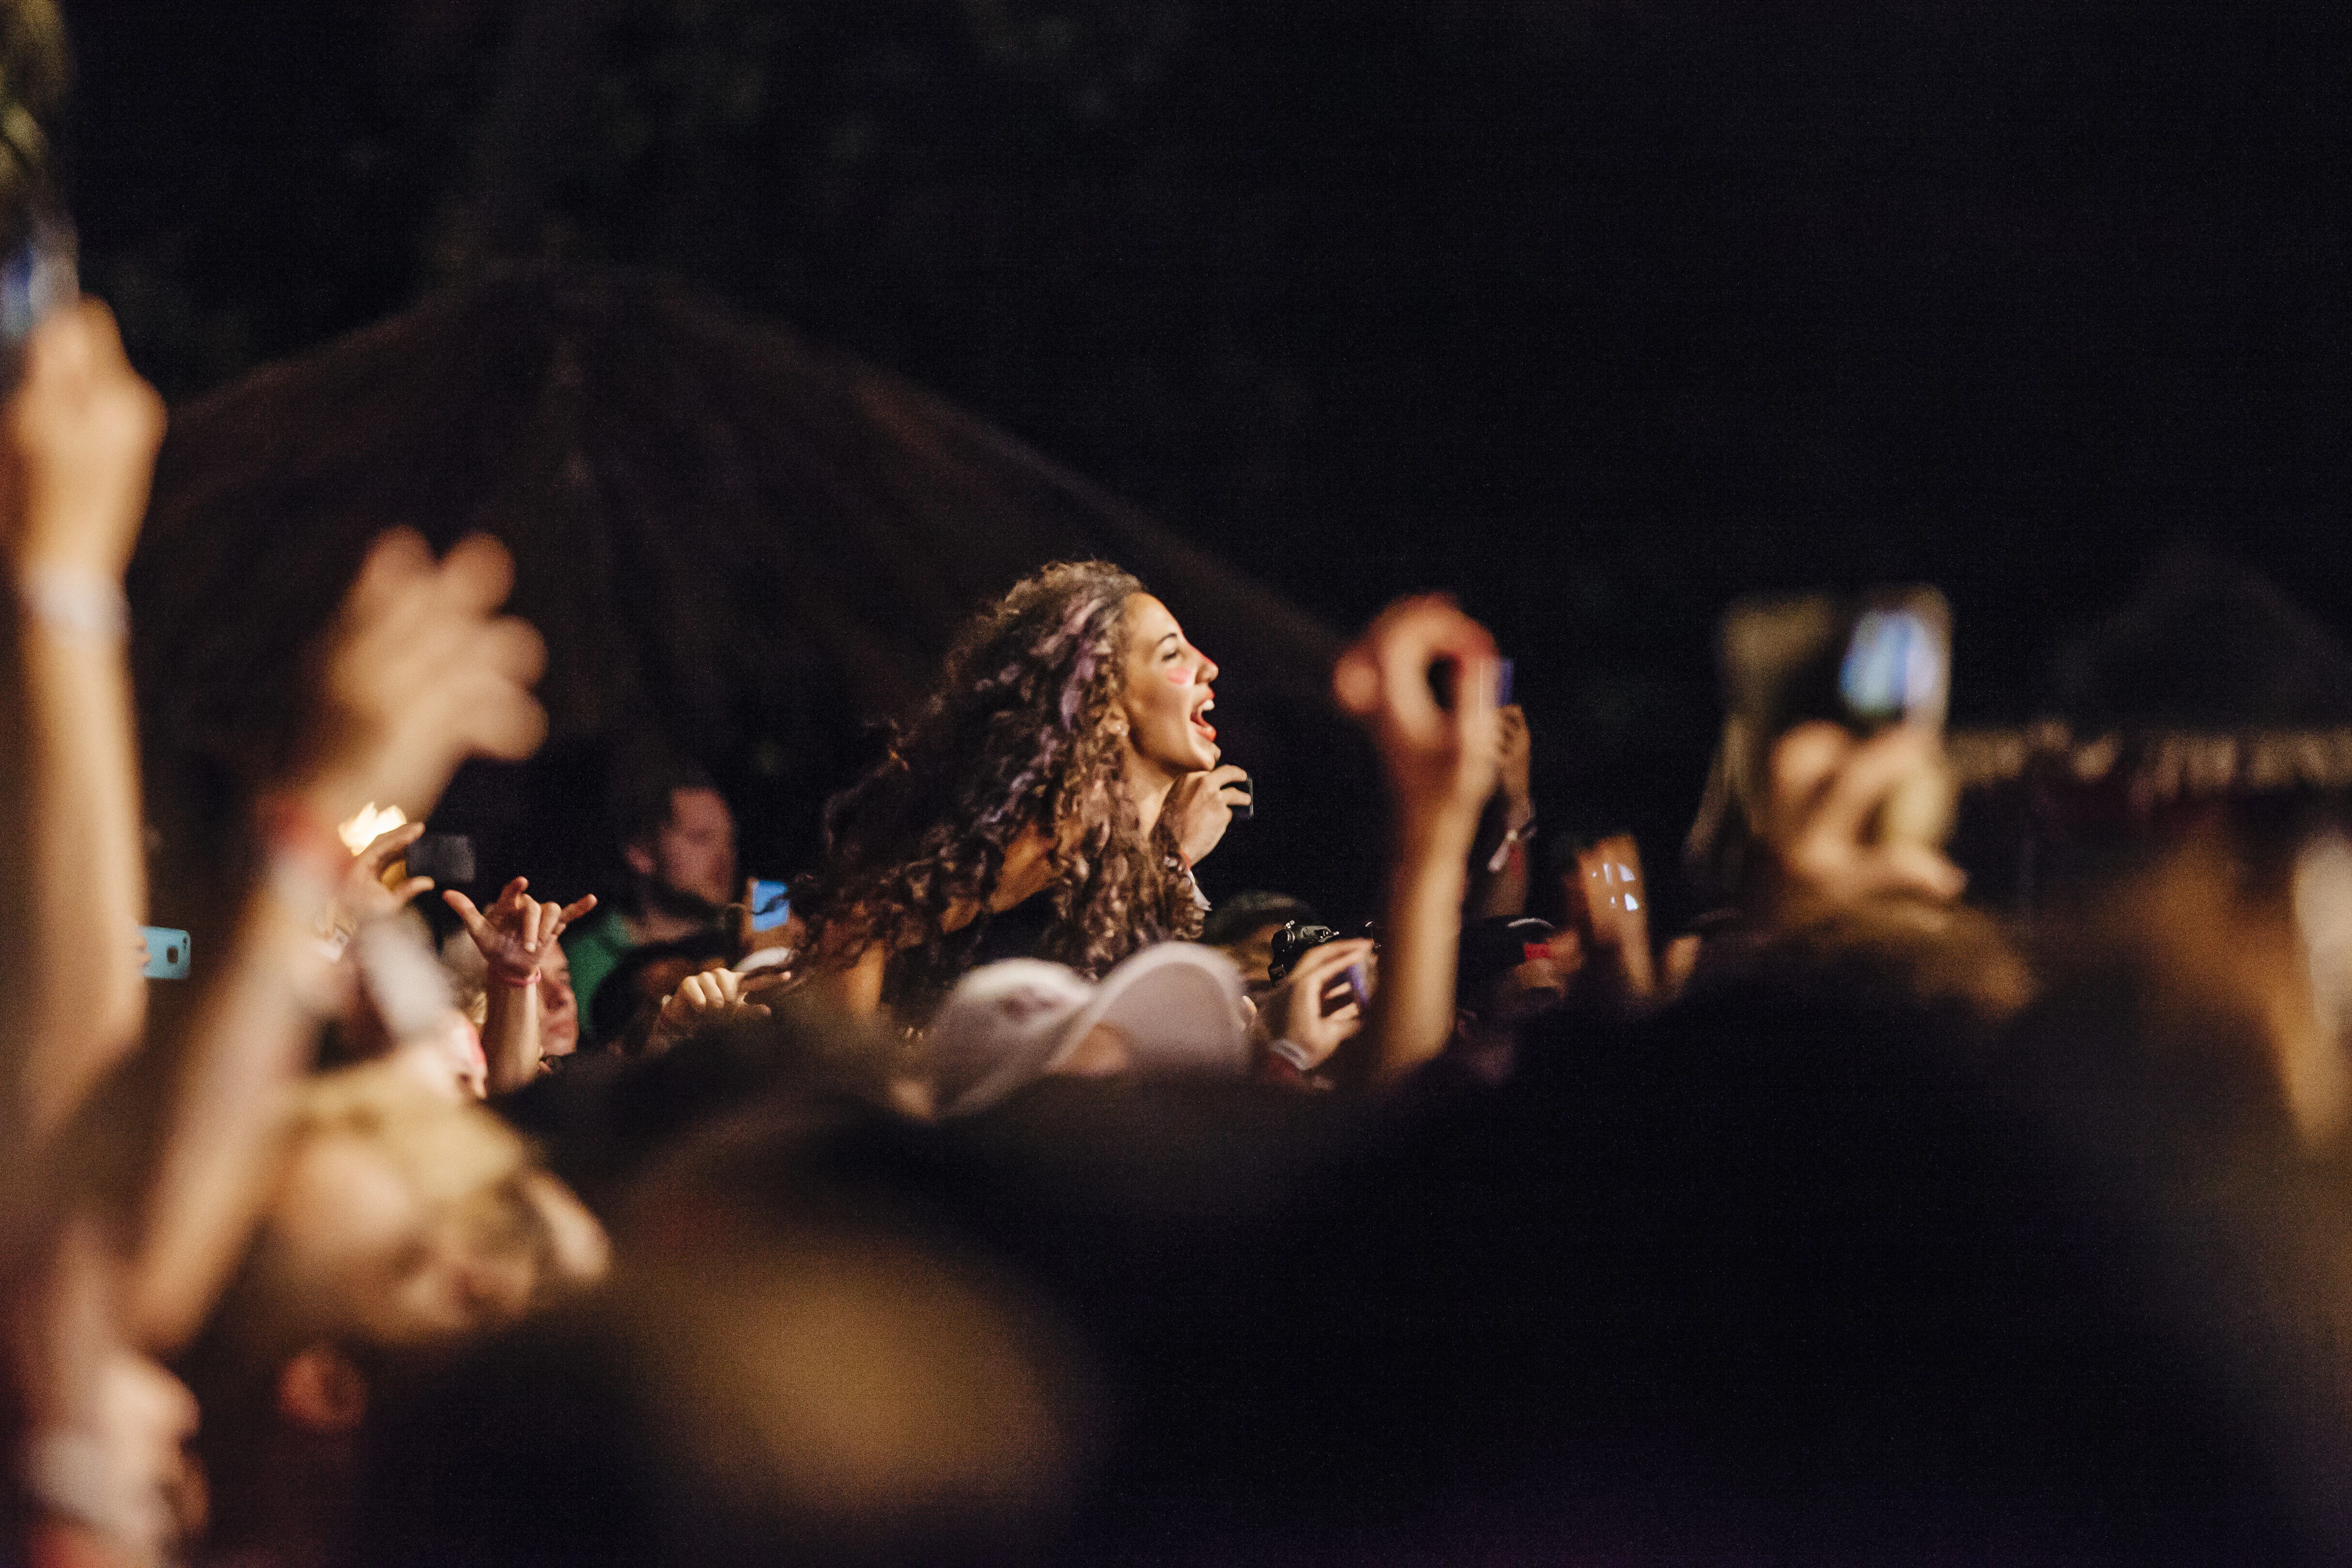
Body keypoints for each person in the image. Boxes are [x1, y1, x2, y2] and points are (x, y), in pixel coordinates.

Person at [800, 561, 1249, 1028]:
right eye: (1170, 654)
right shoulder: (1055, 835)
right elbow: (859, 926)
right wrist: (866, 1079)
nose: (1207, 666)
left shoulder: (1125, 857)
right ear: (1110, 705)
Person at [561, 755, 739, 1045]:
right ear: (640, 852)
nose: (724, 857)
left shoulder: (743, 936)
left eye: (729, 841)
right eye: (700, 838)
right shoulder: (579, 961)